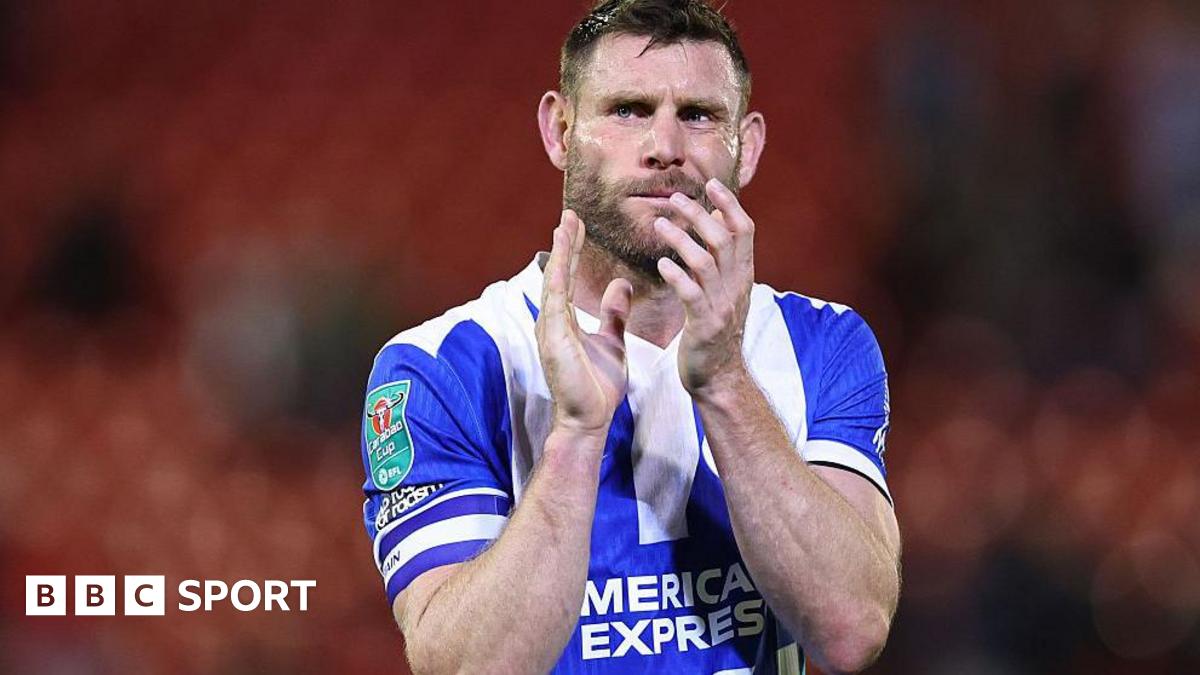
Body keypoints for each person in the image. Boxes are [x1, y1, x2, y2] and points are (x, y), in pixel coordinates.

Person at [359, 1, 900, 672]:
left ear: (749, 146)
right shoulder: (442, 367)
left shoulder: (824, 342)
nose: (664, 146)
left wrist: (725, 382)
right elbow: (466, 667)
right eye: (629, 110)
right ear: (559, 130)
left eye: (698, 115)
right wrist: (576, 436)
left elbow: (850, 631)